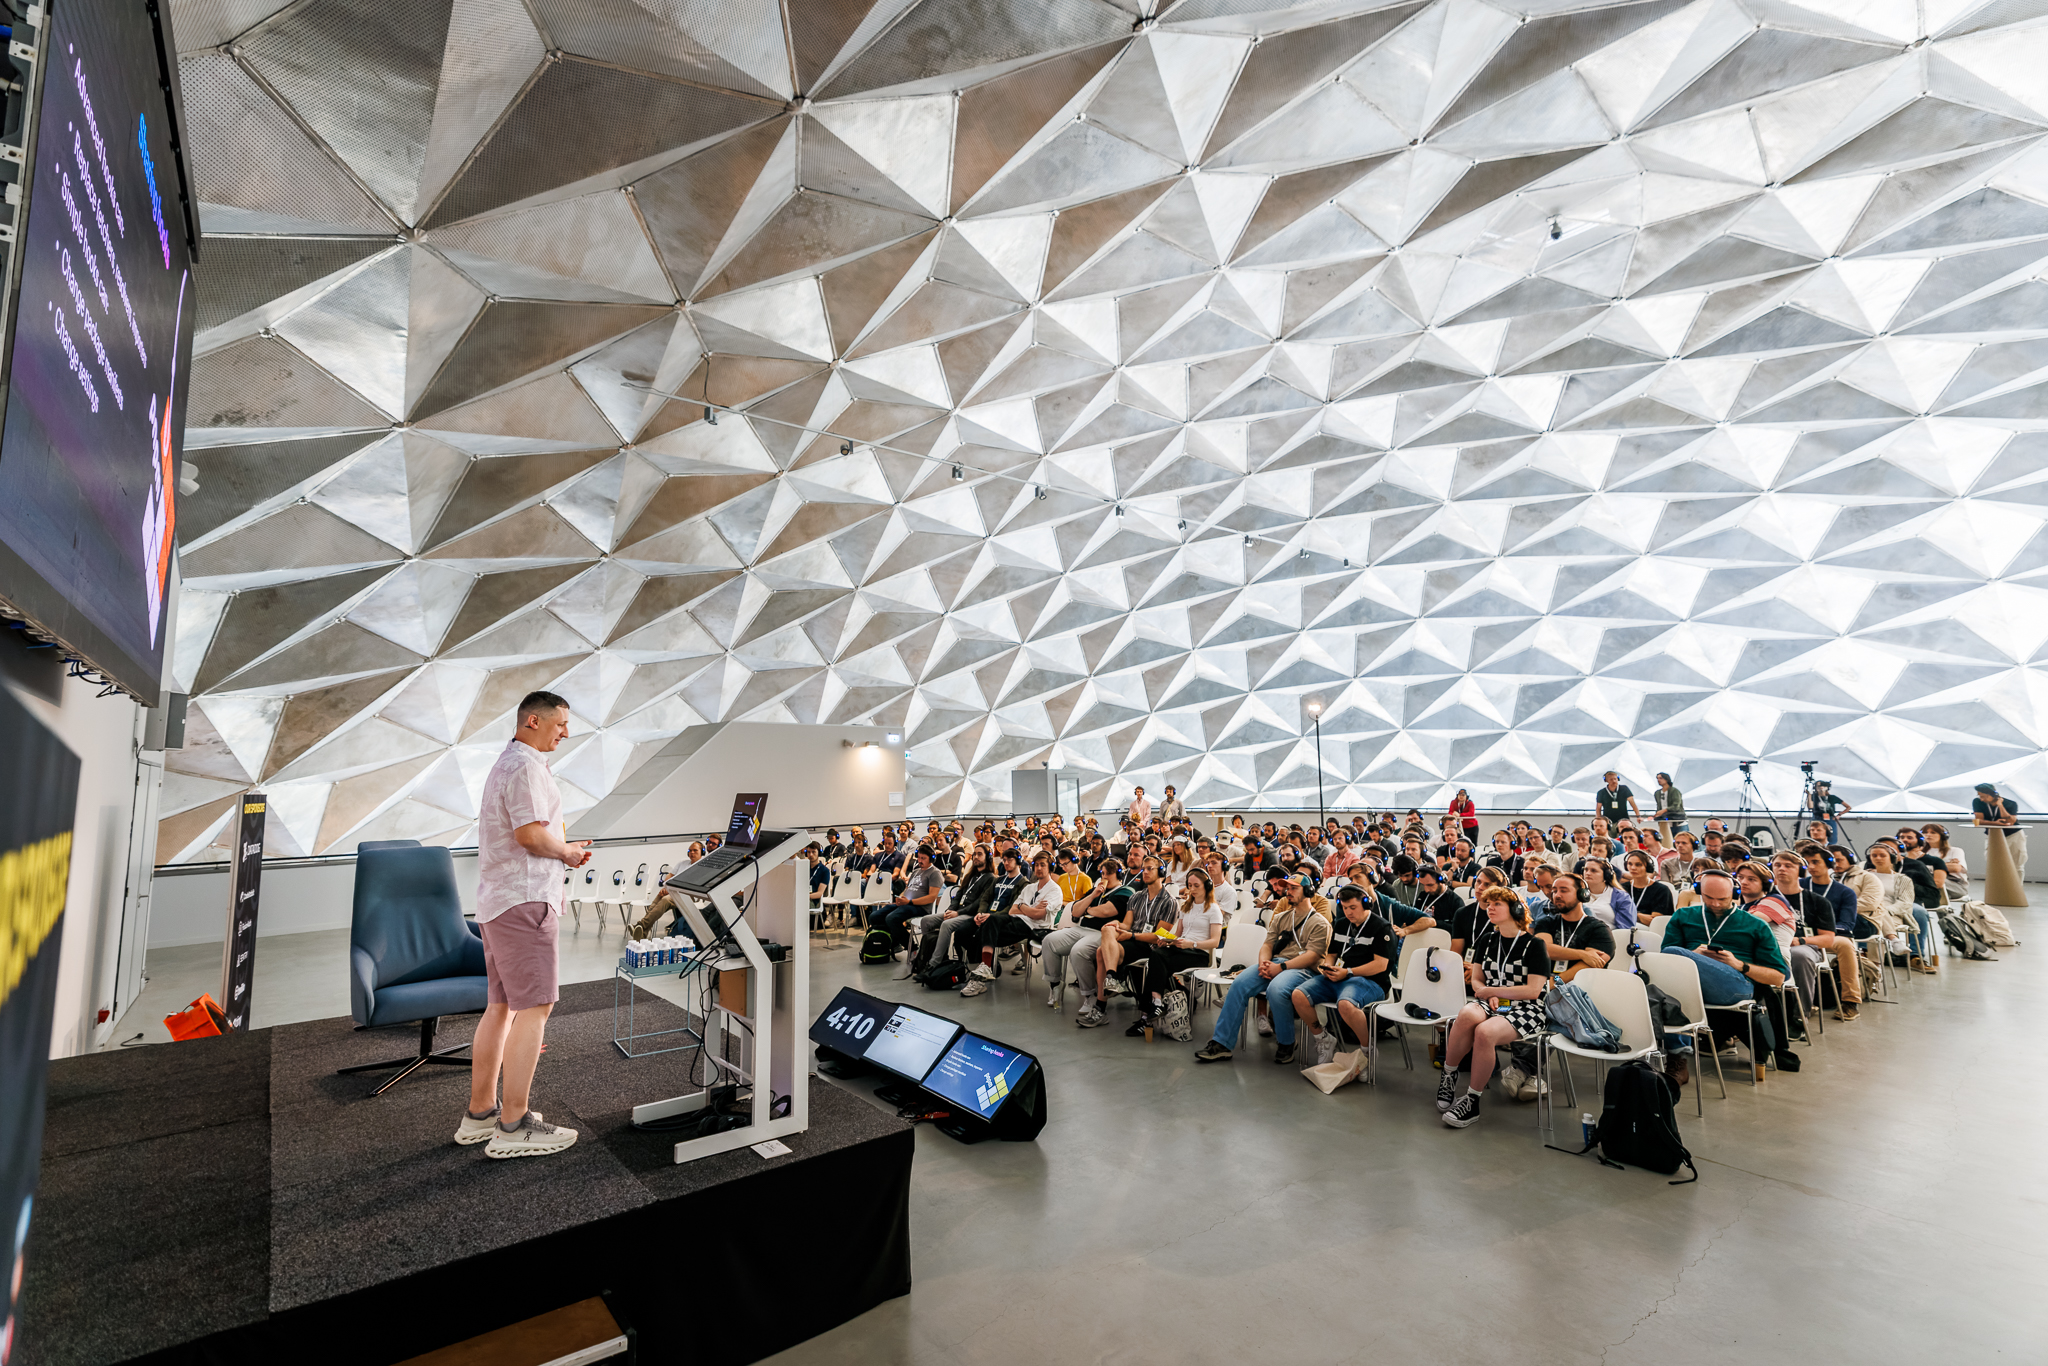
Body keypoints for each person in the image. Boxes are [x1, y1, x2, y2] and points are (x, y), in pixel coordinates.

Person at [461, 690, 591, 1159]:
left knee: (501, 1007)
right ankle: (514, 1125)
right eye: (560, 724)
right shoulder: (526, 767)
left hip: (500, 902)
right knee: (536, 1007)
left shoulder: (508, 763)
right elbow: (531, 835)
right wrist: (567, 851)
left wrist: (559, 847)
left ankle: (480, 1114)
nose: (566, 733)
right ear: (533, 721)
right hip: (525, 900)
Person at [1660, 869, 1797, 1082]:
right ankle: (1678, 1058)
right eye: (1709, 898)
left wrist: (1739, 964)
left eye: (1722, 899)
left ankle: (1677, 1055)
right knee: (1665, 985)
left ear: (1734, 894)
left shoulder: (1755, 925)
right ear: (1699, 892)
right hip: (1689, 984)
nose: (1715, 904)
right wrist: (1693, 955)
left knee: (1672, 953)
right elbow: (1664, 962)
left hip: (1736, 985)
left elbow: (1778, 977)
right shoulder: (1684, 916)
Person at [1436, 888, 1551, 1128]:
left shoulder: (1535, 945)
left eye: (1497, 903)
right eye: (1488, 903)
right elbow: (1477, 980)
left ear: (1516, 909)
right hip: (1492, 1000)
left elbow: (1533, 990)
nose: (1490, 907)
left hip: (1527, 1007)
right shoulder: (1487, 940)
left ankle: (1472, 1100)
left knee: (1485, 1032)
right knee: (1466, 1014)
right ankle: (1449, 1075)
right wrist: (1486, 992)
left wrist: (1493, 991)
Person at [1193, 873, 1331, 1065]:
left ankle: (1286, 1043)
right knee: (1239, 984)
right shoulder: (1281, 917)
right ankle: (1222, 1043)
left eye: (1294, 888)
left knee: (1276, 989)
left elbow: (1312, 956)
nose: (1288, 892)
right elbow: (1267, 944)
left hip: (1304, 969)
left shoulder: (1320, 923)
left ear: (1308, 891)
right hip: (1275, 963)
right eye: (1287, 888)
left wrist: (1280, 967)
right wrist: (1265, 963)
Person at [1291, 884, 1395, 1066]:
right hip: (1339, 976)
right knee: (1298, 995)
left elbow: (1380, 965)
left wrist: (1348, 972)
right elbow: (1331, 954)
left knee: (1346, 1005)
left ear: (1366, 904)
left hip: (1370, 981)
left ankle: (1366, 1050)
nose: (1348, 912)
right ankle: (1323, 1038)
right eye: (1345, 908)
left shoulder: (1382, 928)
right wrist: (1328, 966)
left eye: (1353, 907)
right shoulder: (1340, 924)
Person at [958, 855, 1061, 997]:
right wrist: (1029, 908)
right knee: (990, 921)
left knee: (984, 934)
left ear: (1051, 867)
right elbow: (1012, 910)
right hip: (1016, 919)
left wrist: (1022, 906)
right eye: (1036, 865)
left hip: (1034, 927)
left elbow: (1038, 915)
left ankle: (983, 971)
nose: (1038, 868)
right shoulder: (1030, 888)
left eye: (1042, 865)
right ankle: (985, 968)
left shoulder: (1055, 890)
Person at [1094, 857, 1179, 1029]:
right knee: (1107, 930)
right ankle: (1112, 978)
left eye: (1149, 869)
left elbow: (1158, 937)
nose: (1144, 872)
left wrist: (1132, 936)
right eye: (1143, 869)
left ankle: (1100, 1007)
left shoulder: (1169, 902)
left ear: (1161, 872)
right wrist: (1116, 925)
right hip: (1131, 939)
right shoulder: (1136, 897)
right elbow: (1126, 924)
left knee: (1101, 952)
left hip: (1149, 946)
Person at [1042, 859, 1132, 1014]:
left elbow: (1107, 911)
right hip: (1081, 928)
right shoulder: (1096, 890)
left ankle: (1090, 995)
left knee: (1079, 951)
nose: (1104, 877)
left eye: (1108, 873)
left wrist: (1087, 909)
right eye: (1102, 873)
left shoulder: (1125, 891)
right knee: (1049, 941)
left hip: (1103, 933)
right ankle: (1055, 984)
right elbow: (1075, 911)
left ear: (1118, 875)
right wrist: (1093, 896)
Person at [1140, 868, 1224, 1027]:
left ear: (1207, 886)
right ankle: (1156, 1003)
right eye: (1189, 885)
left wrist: (1191, 944)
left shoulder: (1214, 909)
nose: (1192, 889)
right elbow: (1178, 934)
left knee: (1157, 962)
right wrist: (1168, 940)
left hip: (1199, 953)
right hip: (1181, 948)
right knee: (1157, 954)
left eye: (1196, 885)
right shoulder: (1186, 906)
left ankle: (1148, 1012)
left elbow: (1214, 942)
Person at [1803, 847, 1862, 1021]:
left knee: (1845, 945)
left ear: (1829, 864)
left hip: (1830, 936)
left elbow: (1847, 924)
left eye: (1815, 862)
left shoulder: (1845, 892)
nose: (1811, 866)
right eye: (1807, 863)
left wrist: (1822, 931)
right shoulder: (1799, 886)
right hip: (1798, 935)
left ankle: (1850, 1001)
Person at [1533, 873, 1615, 983]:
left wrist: (1554, 983)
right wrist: (1582, 954)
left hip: (1581, 988)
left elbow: (1591, 964)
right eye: (1555, 891)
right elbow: (1543, 949)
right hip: (1544, 985)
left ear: (1582, 894)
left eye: (1563, 891)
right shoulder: (1546, 923)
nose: (1557, 895)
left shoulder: (1599, 929)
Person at [876, 847, 943, 951]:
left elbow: (931, 898)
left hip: (921, 908)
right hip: (906, 904)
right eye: (919, 857)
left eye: (923, 858)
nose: (920, 861)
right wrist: (900, 899)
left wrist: (910, 901)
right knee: (875, 916)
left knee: (891, 918)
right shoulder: (916, 871)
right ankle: (893, 942)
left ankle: (912, 948)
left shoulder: (935, 873)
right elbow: (907, 890)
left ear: (931, 859)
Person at [1972, 782, 2025, 881]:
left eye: (1983, 796)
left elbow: (2010, 821)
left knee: (2017, 863)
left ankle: (2017, 888)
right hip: (1993, 835)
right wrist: (1995, 823)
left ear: (1992, 794)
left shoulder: (2010, 804)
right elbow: (1977, 821)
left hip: (2013, 835)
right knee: (1993, 862)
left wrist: (2000, 805)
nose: (1981, 799)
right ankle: (1998, 887)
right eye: (1979, 796)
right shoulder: (1977, 802)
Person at [1578, 857, 1637, 928]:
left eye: (1593, 871)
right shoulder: (1577, 892)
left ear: (1606, 875)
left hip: (1611, 933)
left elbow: (1625, 927)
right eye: (1586, 869)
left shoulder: (1621, 897)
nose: (1588, 873)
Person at [1621, 850, 1672, 922]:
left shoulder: (1661, 890)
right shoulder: (1621, 888)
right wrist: (1640, 916)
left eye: (1638, 865)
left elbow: (1655, 921)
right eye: (1630, 864)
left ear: (1648, 867)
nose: (1633, 868)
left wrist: (1631, 914)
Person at [1653, 772, 1686, 840]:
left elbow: (1676, 806)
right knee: (1666, 841)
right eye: (1657, 778)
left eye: (1660, 778)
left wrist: (1663, 811)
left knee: (1681, 840)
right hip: (1665, 822)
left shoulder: (1674, 791)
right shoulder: (1657, 793)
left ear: (1666, 779)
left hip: (1678, 821)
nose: (1658, 780)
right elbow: (1659, 806)